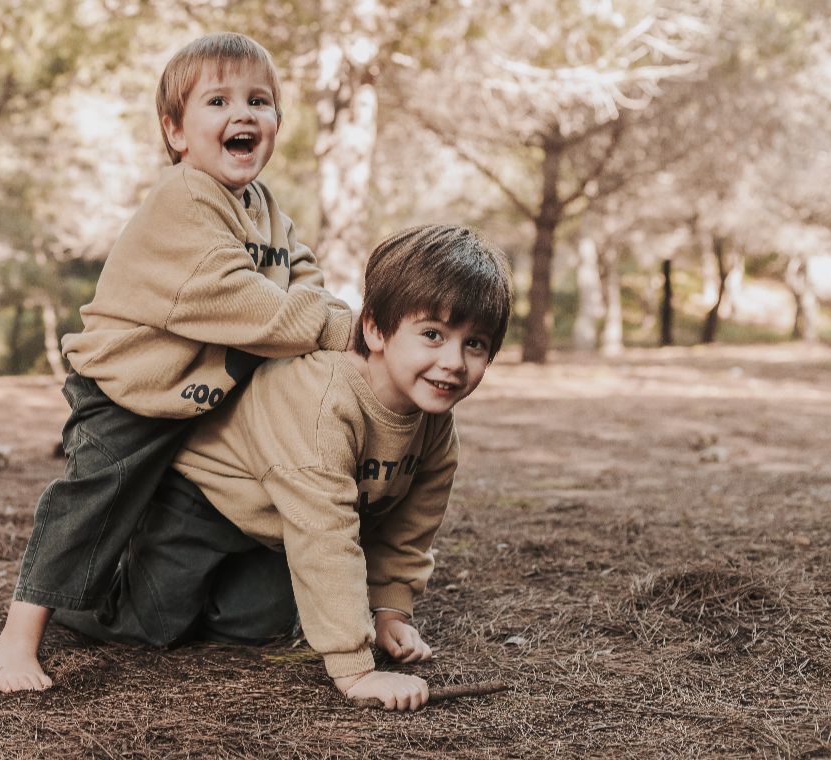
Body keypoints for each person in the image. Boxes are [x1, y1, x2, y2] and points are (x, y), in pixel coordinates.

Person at [0, 32, 353, 693]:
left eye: (259, 101)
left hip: (204, 395)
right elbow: (259, 311)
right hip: (130, 387)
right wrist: (345, 331)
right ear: (176, 130)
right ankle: (20, 638)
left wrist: (314, 311)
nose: (242, 113)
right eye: (217, 100)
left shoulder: (265, 207)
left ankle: (217, 590)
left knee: (224, 505)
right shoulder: (183, 199)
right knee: (95, 503)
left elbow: (305, 277)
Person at [54, 224, 513, 712]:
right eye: (432, 335)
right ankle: (75, 587)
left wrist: (390, 611)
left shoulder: (435, 425)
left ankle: (217, 586)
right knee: (153, 624)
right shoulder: (324, 402)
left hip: (270, 525)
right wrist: (355, 671)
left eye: (475, 344)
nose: (453, 362)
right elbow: (325, 532)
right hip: (203, 496)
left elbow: (409, 527)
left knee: (257, 626)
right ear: (376, 329)